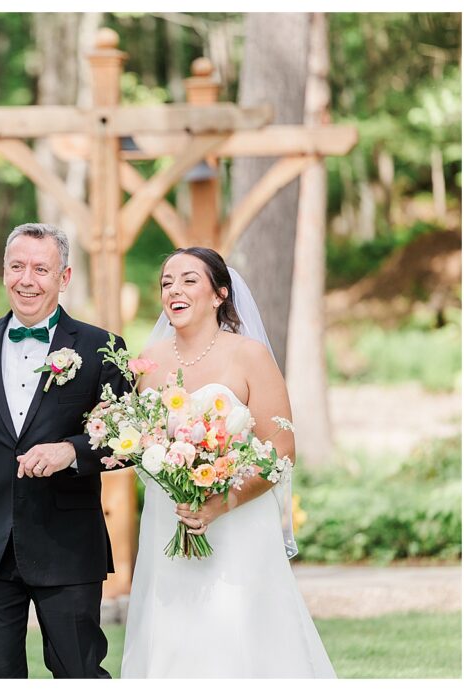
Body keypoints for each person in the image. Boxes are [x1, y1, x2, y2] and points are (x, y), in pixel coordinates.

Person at [0, 223, 131, 678]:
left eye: (41, 268)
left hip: (68, 543)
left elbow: (130, 437)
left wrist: (70, 451)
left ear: (65, 277)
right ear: (3, 272)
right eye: (17, 266)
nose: (27, 279)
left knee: (78, 671)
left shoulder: (102, 348)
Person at [120, 247, 335, 678]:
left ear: (220, 294)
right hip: (169, 518)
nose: (174, 290)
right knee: (171, 635)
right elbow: (132, 436)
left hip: (237, 523)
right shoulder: (149, 362)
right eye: (166, 282)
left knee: (240, 638)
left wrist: (222, 501)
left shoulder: (249, 355)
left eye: (188, 280)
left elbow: (281, 449)